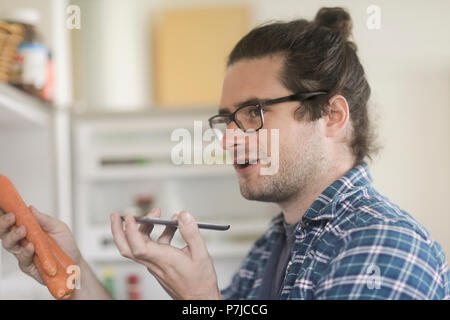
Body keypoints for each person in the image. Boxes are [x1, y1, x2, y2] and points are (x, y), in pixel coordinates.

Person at [0, 7, 448, 300]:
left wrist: (200, 301)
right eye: (226, 120)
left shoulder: (383, 247)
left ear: (331, 115)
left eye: (253, 112)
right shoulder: (274, 247)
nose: (229, 138)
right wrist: (71, 268)